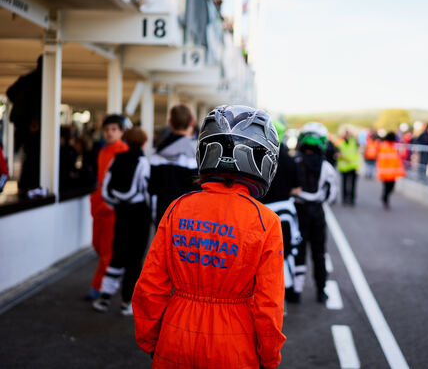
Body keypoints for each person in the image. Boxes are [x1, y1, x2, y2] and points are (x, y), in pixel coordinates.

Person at [132, 105, 286, 368]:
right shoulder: (265, 221)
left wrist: (150, 341)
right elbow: (269, 305)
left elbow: (149, 287)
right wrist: (269, 357)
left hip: (175, 335)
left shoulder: (178, 208)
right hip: (235, 345)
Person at [93, 126, 151, 315]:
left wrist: (116, 204)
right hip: (139, 214)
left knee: (117, 254)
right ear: (143, 142)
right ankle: (127, 302)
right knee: (134, 259)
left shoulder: (116, 159)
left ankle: (104, 298)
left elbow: (105, 189)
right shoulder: (143, 161)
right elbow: (145, 188)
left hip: (121, 212)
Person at [260, 118, 303, 304]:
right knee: (286, 252)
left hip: (262, 211)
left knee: (262, 256)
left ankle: (265, 293)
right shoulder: (289, 159)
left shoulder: (258, 155)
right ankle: (287, 290)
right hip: (285, 212)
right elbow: (296, 189)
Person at [86, 115, 129, 301]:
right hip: (99, 208)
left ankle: (99, 286)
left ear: (121, 132)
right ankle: (113, 275)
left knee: (106, 249)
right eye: (107, 130)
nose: (110, 133)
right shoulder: (103, 151)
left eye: (114, 129)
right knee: (97, 245)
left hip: (113, 208)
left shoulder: (124, 151)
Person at [293, 122, 338, 303]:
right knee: (319, 253)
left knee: (298, 251)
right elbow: (332, 195)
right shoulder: (327, 167)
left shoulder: (295, 161)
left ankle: (296, 291)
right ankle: (321, 290)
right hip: (317, 212)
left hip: (299, 211)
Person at [149, 104, 199, 225]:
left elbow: (152, 187)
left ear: (170, 123)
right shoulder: (195, 152)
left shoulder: (158, 151)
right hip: (187, 216)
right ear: (192, 123)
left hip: (163, 212)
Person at [6, 55, 42, 195]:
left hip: (20, 121)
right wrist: (34, 119)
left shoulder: (25, 79)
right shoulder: (42, 80)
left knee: (23, 152)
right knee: (32, 153)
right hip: (31, 124)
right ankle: (27, 184)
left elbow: (10, 93)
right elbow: (37, 102)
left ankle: (24, 184)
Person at [376, 132, 405, 209]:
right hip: (386, 173)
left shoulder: (392, 147)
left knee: (391, 188)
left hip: (392, 173)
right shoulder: (384, 147)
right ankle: (385, 200)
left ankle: (385, 198)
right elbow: (383, 160)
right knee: (387, 188)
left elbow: (395, 160)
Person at [336, 129, 360, 205]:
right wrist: (341, 157)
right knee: (344, 184)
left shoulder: (354, 142)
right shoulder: (340, 142)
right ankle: (344, 199)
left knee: (353, 184)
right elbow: (337, 154)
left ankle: (352, 199)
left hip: (353, 166)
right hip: (344, 167)